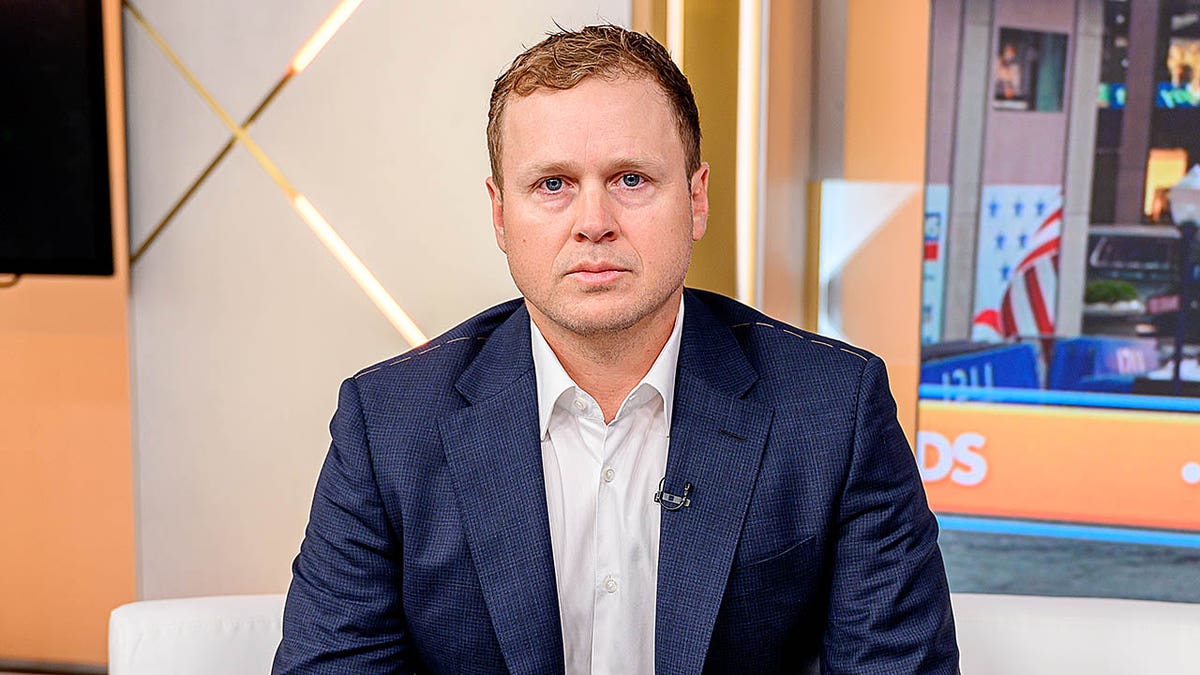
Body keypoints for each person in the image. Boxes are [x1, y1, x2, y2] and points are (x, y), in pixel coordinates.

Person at [274, 24, 958, 674]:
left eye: (631, 179)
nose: (593, 224)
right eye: (553, 185)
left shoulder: (834, 409)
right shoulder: (387, 425)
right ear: (500, 213)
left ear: (695, 199)